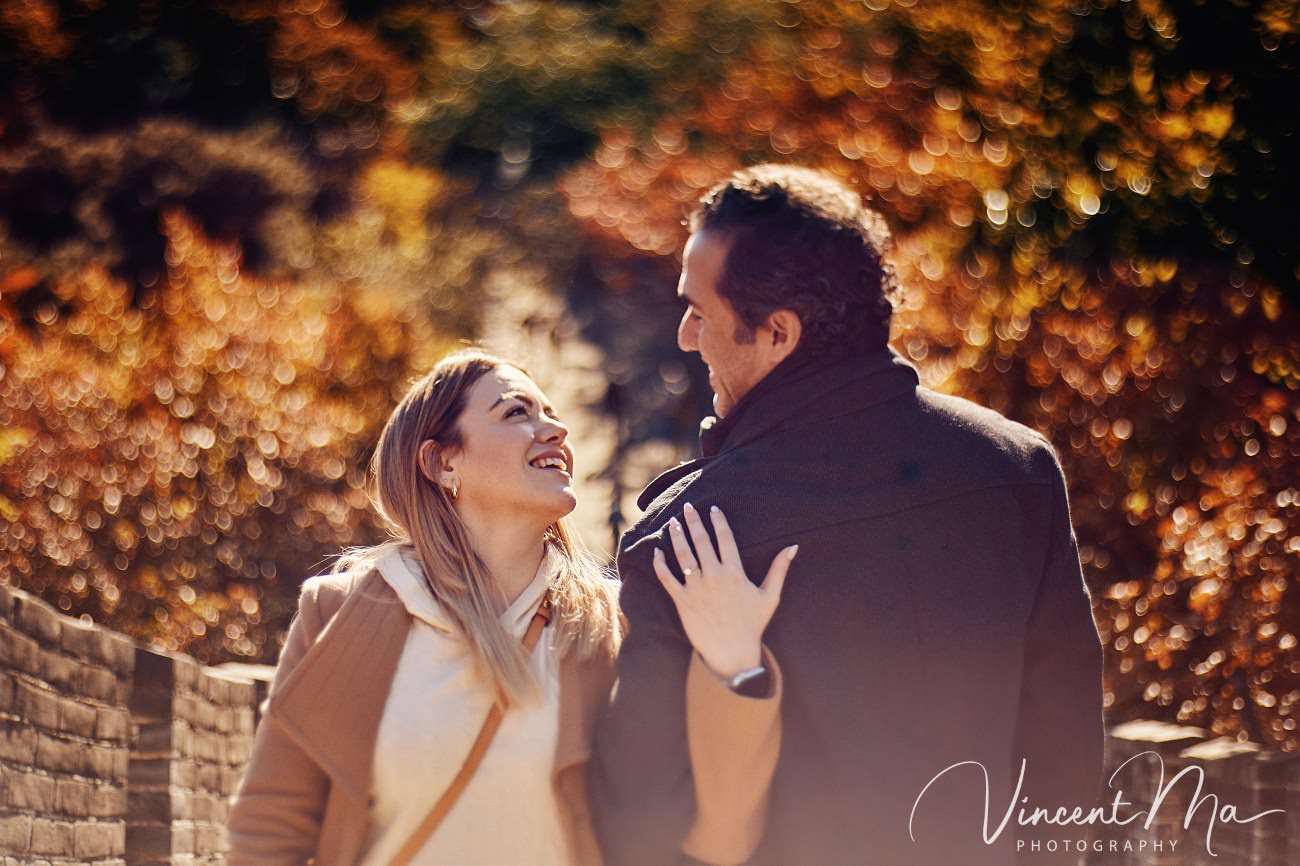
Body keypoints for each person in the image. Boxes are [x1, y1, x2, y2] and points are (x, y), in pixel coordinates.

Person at [589, 165, 1105, 866]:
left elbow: (642, 818)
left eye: (699, 311)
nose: (685, 337)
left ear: (778, 333)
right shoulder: (1016, 469)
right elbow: (1066, 754)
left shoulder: (693, 536)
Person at [227, 349, 795, 866]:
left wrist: (734, 664)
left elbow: (712, 832)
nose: (556, 429)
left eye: (550, 413)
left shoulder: (613, 625)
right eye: (516, 412)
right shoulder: (342, 611)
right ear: (441, 463)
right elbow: (269, 830)